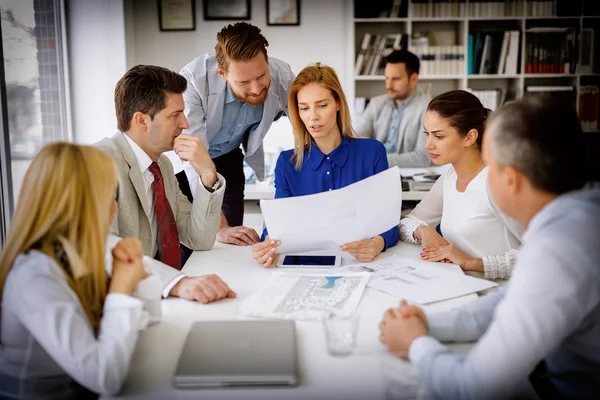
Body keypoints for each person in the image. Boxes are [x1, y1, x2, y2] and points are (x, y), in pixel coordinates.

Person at [379, 98, 600, 399]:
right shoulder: (576, 218)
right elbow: (504, 304)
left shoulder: (559, 251)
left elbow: (474, 388)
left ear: (510, 180)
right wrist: (427, 323)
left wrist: (416, 343)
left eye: (491, 165)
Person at [0, 143, 150, 398]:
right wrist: (121, 291)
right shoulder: (34, 278)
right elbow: (106, 377)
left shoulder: (77, 254)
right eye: (109, 193)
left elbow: (144, 325)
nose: (114, 206)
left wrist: (134, 280)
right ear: (85, 204)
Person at [96, 65, 236, 305]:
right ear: (141, 120)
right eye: (175, 115)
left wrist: (208, 175)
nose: (185, 123)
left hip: (155, 296)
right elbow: (101, 246)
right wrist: (176, 282)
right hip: (117, 304)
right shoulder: (99, 163)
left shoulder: (162, 166)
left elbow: (199, 238)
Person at [251, 63, 399, 268]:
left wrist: (378, 243)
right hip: (301, 268)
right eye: (304, 108)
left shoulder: (372, 152)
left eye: (322, 105)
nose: (313, 117)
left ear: (338, 103)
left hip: (357, 265)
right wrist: (267, 245)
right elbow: (280, 224)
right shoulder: (287, 163)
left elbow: (389, 221)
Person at [178, 22, 295, 246]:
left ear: (267, 60)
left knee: (233, 240)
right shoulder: (193, 80)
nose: (256, 88)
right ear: (221, 73)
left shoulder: (283, 76)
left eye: (261, 76)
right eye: (243, 82)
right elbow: (193, 154)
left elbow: (307, 126)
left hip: (229, 158)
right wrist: (218, 227)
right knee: (196, 242)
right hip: (190, 163)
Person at [399, 90, 523, 279]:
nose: (428, 145)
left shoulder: (496, 184)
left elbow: (539, 253)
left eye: (438, 136)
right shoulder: (449, 178)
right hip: (462, 284)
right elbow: (407, 223)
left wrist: (470, 263)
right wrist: (423, 231)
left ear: (469, 137)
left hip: (501, 295)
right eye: (427, 134)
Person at [354, 50, 431, 168]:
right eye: (387, 78)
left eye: (396, 79)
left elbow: (422, 157)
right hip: (375, 172)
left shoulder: (427, 108)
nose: (388, 85)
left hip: (405, 174)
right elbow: (356, 141)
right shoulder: (376, 104)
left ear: (414, 79)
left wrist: (376, 160)